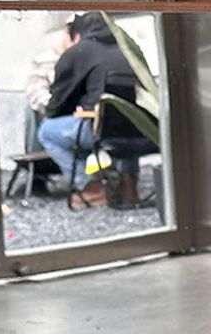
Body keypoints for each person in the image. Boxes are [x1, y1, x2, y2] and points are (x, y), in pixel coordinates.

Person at [37, 11, 140, 209]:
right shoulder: (127, 49)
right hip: (142, 133)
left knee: (47, 132)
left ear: (77, 35)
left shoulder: (78, 52)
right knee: (127, 116)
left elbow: (56, 107)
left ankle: (92, 187)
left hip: (102, 131)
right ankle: (130, 187)